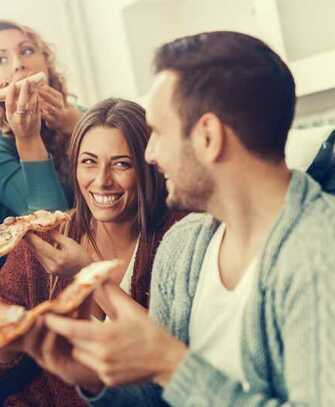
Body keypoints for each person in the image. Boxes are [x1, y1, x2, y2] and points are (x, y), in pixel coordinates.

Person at [23, 31, 335, 406]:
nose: (150, 155)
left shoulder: (319, 256)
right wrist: (92, 379)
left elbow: (172, 372)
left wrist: (171, 363)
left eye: (158, 132)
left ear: (208, 137)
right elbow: (159, 398)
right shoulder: (184, 245)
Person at [0, 98, 182, 406]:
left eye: (121, 163)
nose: (102, 181)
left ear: (147, 166)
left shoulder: (177, 236)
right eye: (89, 162)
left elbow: (172, 356)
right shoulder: (44, 238)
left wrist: (85, 272)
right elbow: (5, 364)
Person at [0, 19, 84, 227]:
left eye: (27, 51)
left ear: (47, 63)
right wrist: (28, 138)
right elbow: (51, 221)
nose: (18, 64)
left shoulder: (82, 116)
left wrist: (77, 127)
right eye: (1, 59)